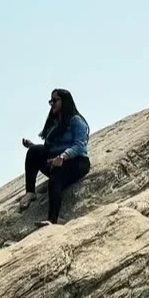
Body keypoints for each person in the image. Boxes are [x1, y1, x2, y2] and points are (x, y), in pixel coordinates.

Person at [19, 89, 91, 226]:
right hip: (56, 160)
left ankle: (53, 219)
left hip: (77, 162)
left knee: (56, 179)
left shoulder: (75, 120)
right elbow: (51, 148)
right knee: (33, 152)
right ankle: (30, 192)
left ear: (65, 101)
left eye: (55, 100)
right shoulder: (55, 123)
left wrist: (63, 157)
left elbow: (80, 146)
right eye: (50, 101)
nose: (52, 104)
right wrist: (33, 146)